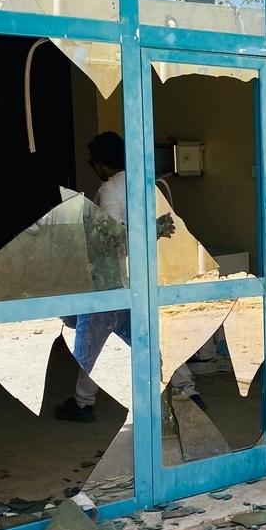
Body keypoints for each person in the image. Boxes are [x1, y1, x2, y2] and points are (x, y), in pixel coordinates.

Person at [55, 132, 200, 423]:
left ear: (100, 164)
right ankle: (188, 391)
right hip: (144, 276)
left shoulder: (110, 189)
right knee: (154, 338)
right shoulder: (146, 185)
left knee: (91, 340)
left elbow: (112, 237)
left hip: (115, 279)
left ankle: (83, 404)